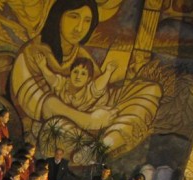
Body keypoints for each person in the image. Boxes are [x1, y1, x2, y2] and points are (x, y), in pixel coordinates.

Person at [10, 0, 161, 154]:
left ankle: (105, 144)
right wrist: (90, 120)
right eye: (74, 17)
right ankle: (96, 148)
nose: (79, 28)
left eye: (87, 21)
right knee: (56, 125)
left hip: (93, 110)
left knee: (151, 89)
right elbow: (44, 105)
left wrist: (110, 93)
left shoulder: (80, 54)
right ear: (58, 16)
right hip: (65, 122)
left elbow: (100, 92)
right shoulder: (32, 53)